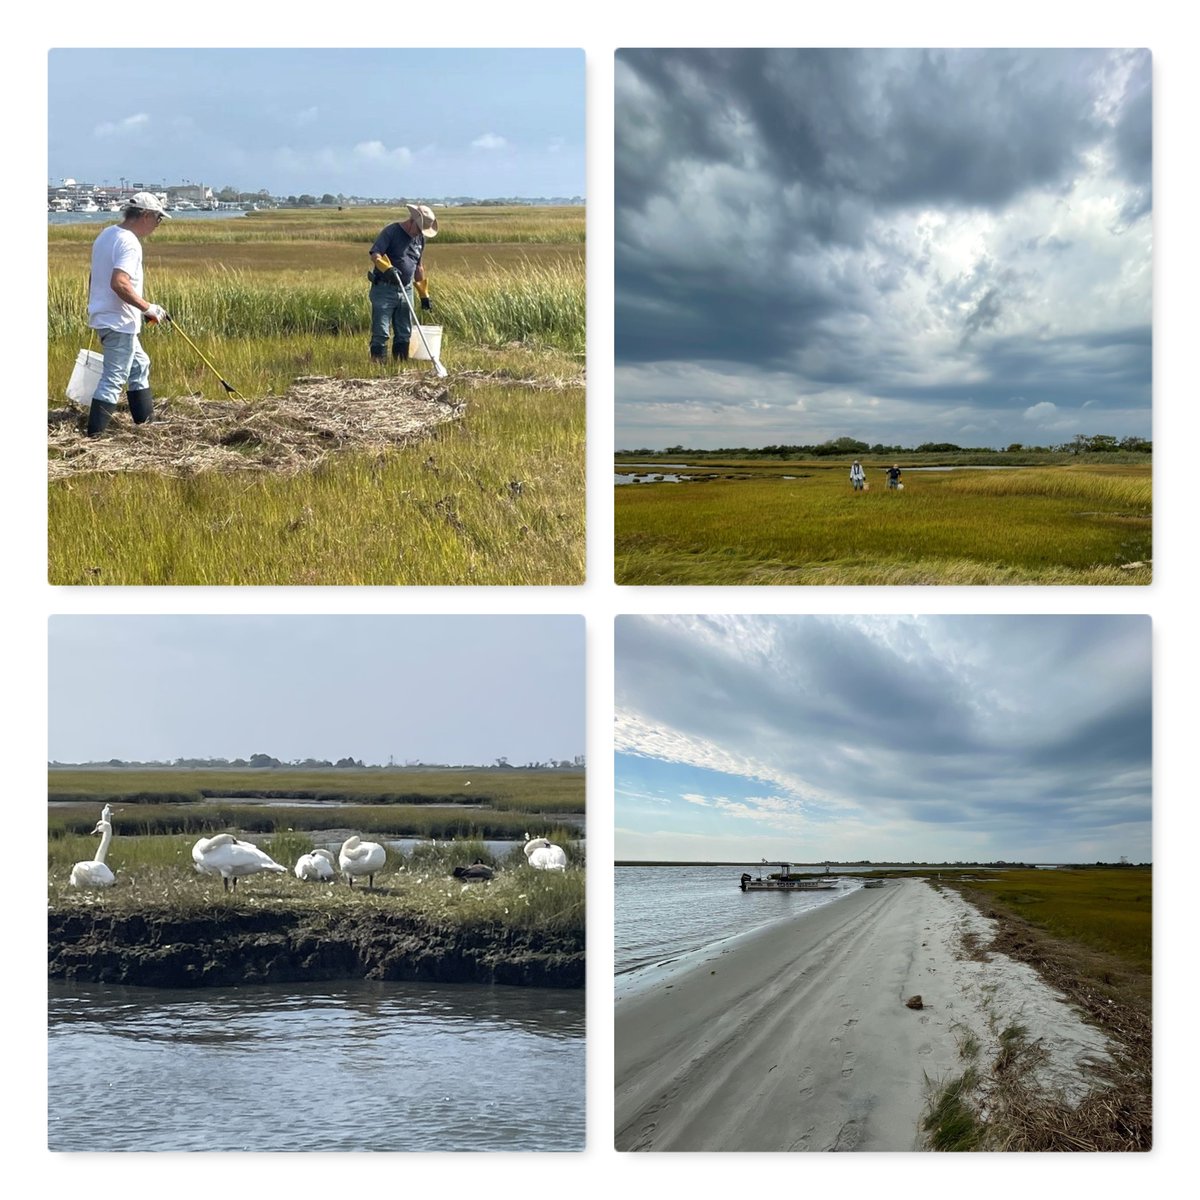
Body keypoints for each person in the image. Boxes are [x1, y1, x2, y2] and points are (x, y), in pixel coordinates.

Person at [85, 192, 171, 436]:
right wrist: (147, 307)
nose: (158, 224)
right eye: (158, 218)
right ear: (145, 215)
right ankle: (94, 438)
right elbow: (119, 282)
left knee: (140, 365)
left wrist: (97, 306)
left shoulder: (107, 234)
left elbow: (94, 277)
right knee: (113, 378)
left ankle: (145, 426)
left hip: (109, 317)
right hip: (118, 321)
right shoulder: (130, 242)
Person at [367, 203, 438, 363]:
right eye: (419, 229)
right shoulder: (391, 231)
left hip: (406, 290)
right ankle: (378, 365)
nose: (419, 233)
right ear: (412, 221)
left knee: (404, 331)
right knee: (381, 331)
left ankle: (399, 366)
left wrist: (424, 294)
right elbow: (375, 254)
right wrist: (387, 269)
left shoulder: (420, 239)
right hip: (384, 288)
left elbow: (418, 266)